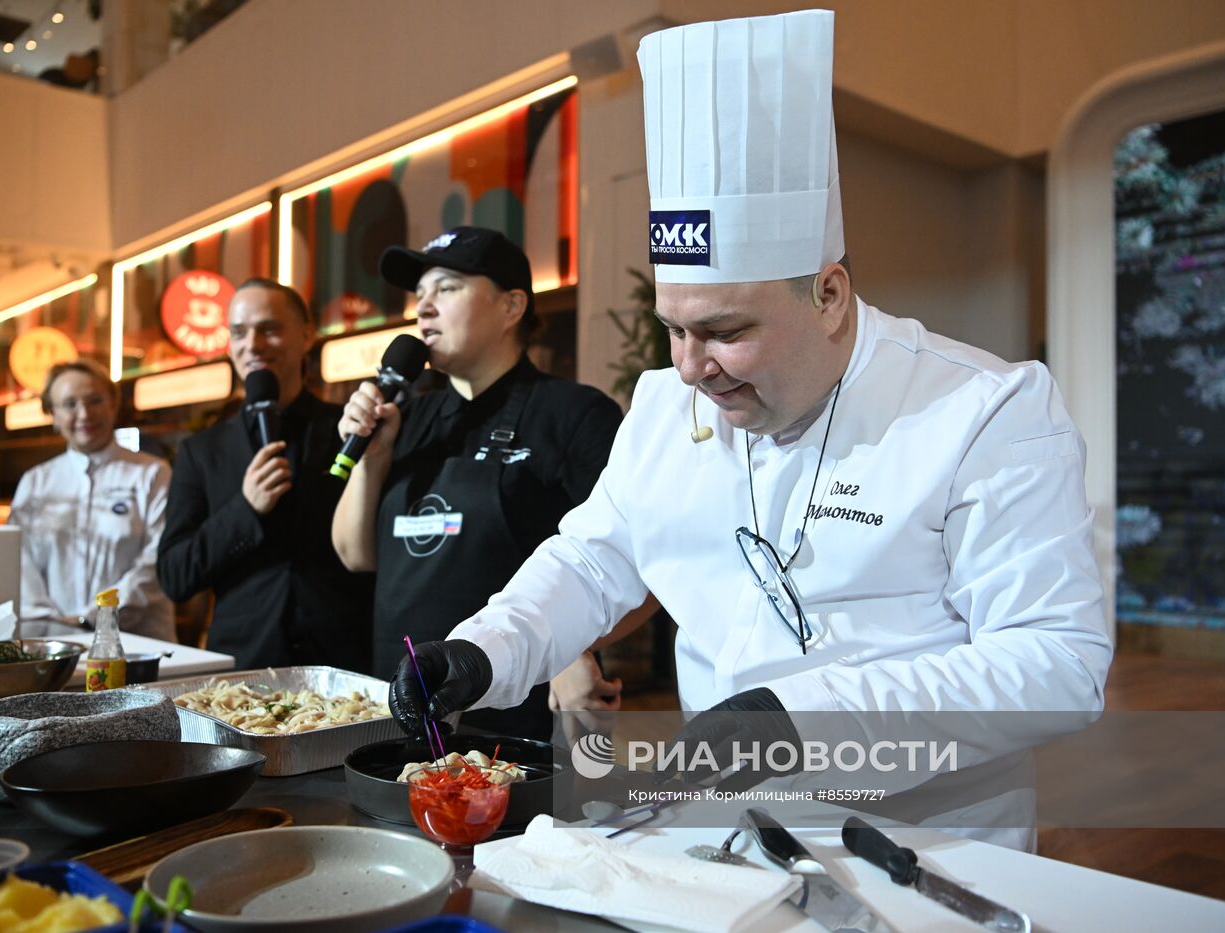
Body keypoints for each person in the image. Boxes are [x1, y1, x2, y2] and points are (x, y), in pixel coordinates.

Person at [390, 11, 1112, 847]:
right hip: (721, 826)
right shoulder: (668, 405)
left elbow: (1055, 663)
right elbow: (594, 559)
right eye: (675, 328)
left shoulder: (986, 409)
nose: (694, 367)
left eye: (729, 331)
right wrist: (483, 650)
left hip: (924, 841)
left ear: (830, 295)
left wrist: (801, 718)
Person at [332, 227, 625, 740]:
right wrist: (373, 459)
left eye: (446, 288)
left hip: (519, 712)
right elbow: (355, 555)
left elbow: (626, 559)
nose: (424, 308)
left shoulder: (574, 415)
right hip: (399, 696)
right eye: (419, 295)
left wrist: (571, 652)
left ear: (512, 306)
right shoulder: (407, 418)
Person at [158, 278, 373, 670]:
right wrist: (245, 510)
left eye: (269, 329)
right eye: (238, 332)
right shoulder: (202, 451)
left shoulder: (350, 430)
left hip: (344, 662)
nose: (252, 344)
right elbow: (175, 575)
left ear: (307, 335)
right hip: (242, 666)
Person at [11, 357, 174, 641]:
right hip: (56, 644)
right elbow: (19, 562)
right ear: (52, 414)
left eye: (95, 400)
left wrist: (94, 618)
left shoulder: (152, 474)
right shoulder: (35, 482)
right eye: (70, 404)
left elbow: (158, 558)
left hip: (138, 642)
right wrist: (53, 625)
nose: (85, 414)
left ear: (114, 404)